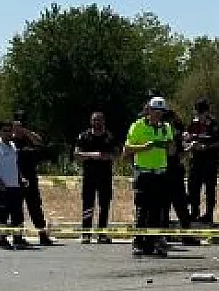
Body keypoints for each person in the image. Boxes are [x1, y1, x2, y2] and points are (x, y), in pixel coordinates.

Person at [123, 96, 176, 255]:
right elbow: (127, 150)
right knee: (142, 209)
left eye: (161, 111)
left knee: (158, 209)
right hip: (144, 173)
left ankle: (153, 242)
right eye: (155, 111)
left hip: (160, 173)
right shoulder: (137, 126)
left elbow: (172, 152)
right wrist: (145, 147)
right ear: (149, 110)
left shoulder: (166, 127)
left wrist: (170, 145)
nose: (158, 114)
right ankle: (138, 242)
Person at [12, 111, 56, 246]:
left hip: (31, 177)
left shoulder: (29, 138)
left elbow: (39, 142)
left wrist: (25, 131)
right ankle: (17, 237)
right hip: (15, 178)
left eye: (23, 123)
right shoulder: (10, 140)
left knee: (35, 207)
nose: (20, 126)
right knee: (16, 208)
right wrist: (15, 132)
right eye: (18, 123)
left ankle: (42, 235)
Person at [73, 110, 118, 242]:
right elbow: (77, 154)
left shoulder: (109, 137)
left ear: (103, 121)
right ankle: (86, 234)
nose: (97, 122)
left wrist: (105, 156)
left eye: (99, 119)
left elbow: (117, 154)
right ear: (91, 121)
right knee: (88, 204)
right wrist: (93, 155)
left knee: (104, 205)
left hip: (105, 176)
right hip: (89, 176)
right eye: (94, 119)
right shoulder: (84, 136)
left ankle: (102, 234)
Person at [0, 119, 29, 250]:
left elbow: (14, 165)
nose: (8, 133)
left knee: (17, 214)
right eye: (5, 131)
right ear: (0, 131)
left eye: (10, 131)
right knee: (2, 213)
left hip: (15, 186)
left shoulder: (13, 145)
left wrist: (21, 178)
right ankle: (2, 239)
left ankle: (18, 238)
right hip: (2, 187)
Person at [184, 97, 219, 224]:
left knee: (210, 189)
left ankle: (209, 214)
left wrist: (206, 147)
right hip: (195, 161)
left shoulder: (213, 123)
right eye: (198, 112)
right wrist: (188, 141)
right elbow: (187, 138)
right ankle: (194, 212)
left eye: (202, 112)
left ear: (207, 111)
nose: (200, 115)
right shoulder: (193, 122)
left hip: (210, 162)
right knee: (193, 187)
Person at [162, 104, 195, 235]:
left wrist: (187, 146)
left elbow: (179, 153)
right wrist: (188, 148)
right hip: (168, 171)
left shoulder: (174, 133)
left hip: (174, 170)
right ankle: (166, 235)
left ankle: (185, 234)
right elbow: (173, 152)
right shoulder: (167, 134)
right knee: (170, 205)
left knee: (179, 205)